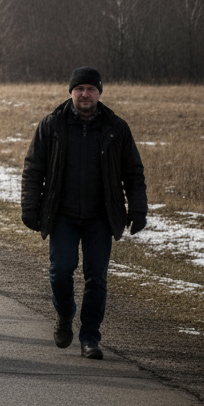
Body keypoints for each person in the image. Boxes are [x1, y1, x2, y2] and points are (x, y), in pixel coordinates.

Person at [21, 67, 147, 360]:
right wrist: (30, 207)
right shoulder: (52, 125)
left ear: (99, 93)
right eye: (80, 89)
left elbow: (133, 172)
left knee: (96, 278)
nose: (85, 94)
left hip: (100, 217)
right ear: (71, 92)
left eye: (91, 89)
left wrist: (138, 208)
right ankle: (64, 314)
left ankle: (90, 336)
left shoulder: (116, 128)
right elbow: (33, 169)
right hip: (62, 215)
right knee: (60, 271)